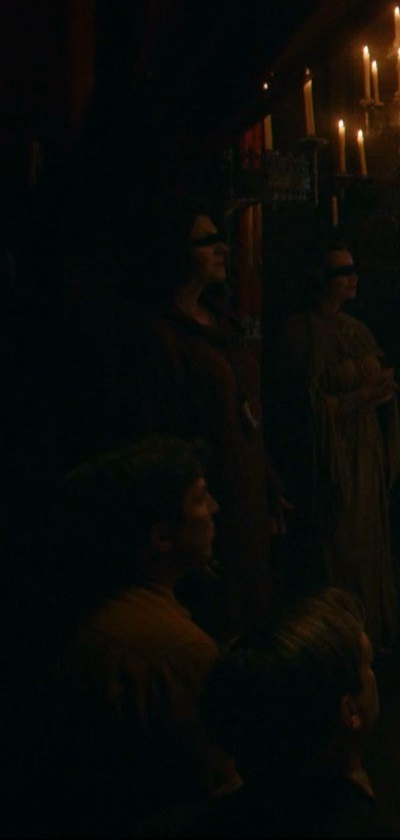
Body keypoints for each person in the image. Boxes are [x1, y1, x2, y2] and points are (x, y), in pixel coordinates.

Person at [50, 436, 240, 833]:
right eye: (200, 499)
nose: (214, 508)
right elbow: (224, 788)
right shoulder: (177, 651)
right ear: (162, 537)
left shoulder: (96, 617)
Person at [128, 203, 285, 638]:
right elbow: (161, 428)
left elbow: (246, 408)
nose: (222, 249)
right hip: (210, 489)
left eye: (221, 239)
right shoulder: (160, 336)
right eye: (206, 241)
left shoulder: (220, 322)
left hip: (244, 482)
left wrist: (267, 479)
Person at [265, 242, 400, 646]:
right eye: (342, 272)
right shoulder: (299, 335)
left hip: (364, 453)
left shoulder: (356, 330)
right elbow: (298, 410)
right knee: (339, 548)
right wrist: (360, 397)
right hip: (331, 461)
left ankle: (368, 632)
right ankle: (336, 640)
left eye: (353, 269)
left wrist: (382, 394)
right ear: (321, 280)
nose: (352, 278)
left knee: (368, 545)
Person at [198, 589, 385, 838]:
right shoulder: (356, 826)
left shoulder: (229, 818)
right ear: (351, 711)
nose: (374, 675)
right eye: (368, 665)